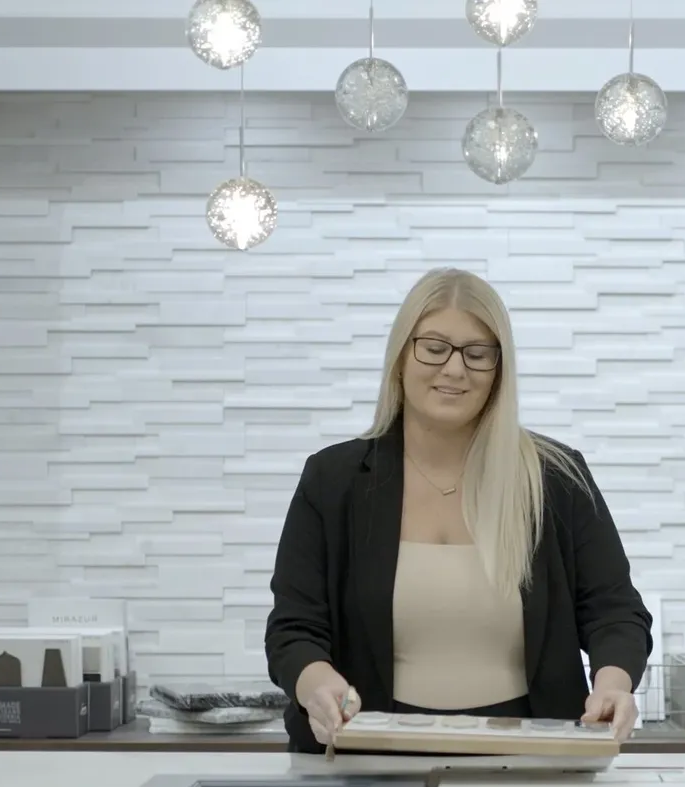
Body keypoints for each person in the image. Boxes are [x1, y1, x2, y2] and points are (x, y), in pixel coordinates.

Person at [265, 268, 653, 753]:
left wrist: (614, 685)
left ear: (499, 369)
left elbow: (615, 612)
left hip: (534, 762)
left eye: (477, 354)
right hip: (365, 759)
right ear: (401, 357)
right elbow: (293, 629)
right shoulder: (332, 480)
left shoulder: (558, 479)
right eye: (433, 347)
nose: (454, 369)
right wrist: (314, 682)